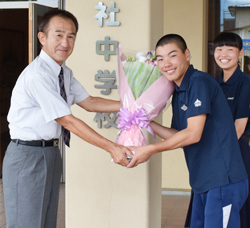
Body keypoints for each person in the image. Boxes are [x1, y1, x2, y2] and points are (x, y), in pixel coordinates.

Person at [3, 9, 133, 228]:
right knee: (26, 223)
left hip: (51, 153)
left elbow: (90, 102)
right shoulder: (38, 75)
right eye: (59, 34)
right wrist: (112, 147)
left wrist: (131, 106)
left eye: (71, 36)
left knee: (45, 222)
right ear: (42, 37)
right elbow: (67, 120)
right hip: (27, 156)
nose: (65, 42)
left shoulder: (64, 72)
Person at [127, 34, 248, 228]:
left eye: (172, 55)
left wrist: (150, 149)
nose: (166, 63)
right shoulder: (179, 90)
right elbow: (178, 135)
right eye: (160, 59)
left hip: (223, 181)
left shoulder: (200, 82)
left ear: (187, 55)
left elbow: (193, 134)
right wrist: (144, 121)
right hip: (203, 181)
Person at [214, 32, 250, 228]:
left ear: (240, 53)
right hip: (213, 154)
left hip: (235, 154)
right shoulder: (212, 83)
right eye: (219, 49)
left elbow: (239, 127)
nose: (223, 54)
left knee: (236, 207)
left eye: (230, 49)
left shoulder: (245, 83)